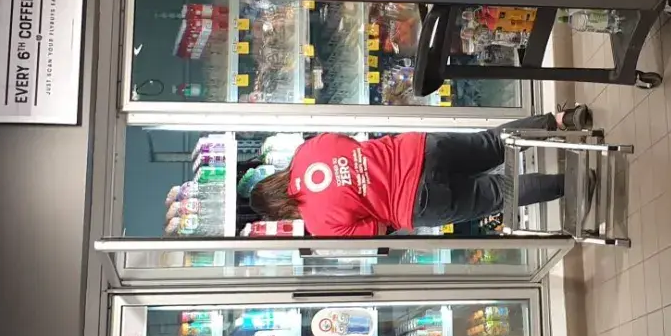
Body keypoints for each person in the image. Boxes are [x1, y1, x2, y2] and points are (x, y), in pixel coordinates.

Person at [248, 108, 592, 236]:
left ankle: (575, 183)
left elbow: (376, 229)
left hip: (418, 203)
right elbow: (352, 144)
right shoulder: (308, 151)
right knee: (491, 143)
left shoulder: (319, 223)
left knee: (500, 194)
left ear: (280, 213)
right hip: (420, 150)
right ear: (272, 178)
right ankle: (563, 120)